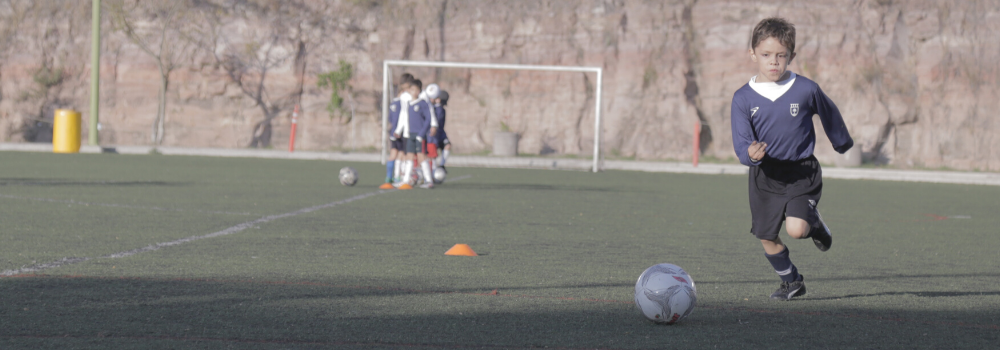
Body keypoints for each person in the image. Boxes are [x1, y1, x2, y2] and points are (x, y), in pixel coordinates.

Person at [730, 17, 854, 301]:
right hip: (765, 177)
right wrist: (748, 154)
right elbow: (741, 139)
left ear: (791, 56)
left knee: (796, 230)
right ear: (752, 55)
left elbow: (829, 112)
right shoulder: (743, 98)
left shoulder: (805, 88)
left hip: (801, 172)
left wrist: (841, 141)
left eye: (780, 56)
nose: (773, 62)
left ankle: (814, 224)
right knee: (766, 236)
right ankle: (793, 282)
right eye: (765, 55)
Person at [393, 79, 435, 189]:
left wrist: (422, 133)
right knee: (409, 157)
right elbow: (405, 118)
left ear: (419, 91)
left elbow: (428, 119)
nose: (413, 92)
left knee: (421, 156)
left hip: (419, 135)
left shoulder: (422, 103)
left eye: (415, 90)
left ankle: (428, 180)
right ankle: (406, 180)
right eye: (411, 89)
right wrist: (399, 130)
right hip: (410, 134)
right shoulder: (408, 104)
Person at [380, 74, 415, 189]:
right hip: (402, 131)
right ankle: (400, 176)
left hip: (393, 131)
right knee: (403, 153)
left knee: (394, 153)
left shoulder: (394, 102)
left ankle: (389, 178)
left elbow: (391, 119)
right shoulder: (406, 100)